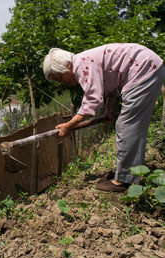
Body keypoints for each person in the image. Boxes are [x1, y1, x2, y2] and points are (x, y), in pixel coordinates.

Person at [43, 43, 165, 192]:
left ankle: (124, 180)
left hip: (143, 70)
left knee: (127, 126)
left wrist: (70, 125)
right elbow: (110, 85)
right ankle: (129, 171)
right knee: (132, 125)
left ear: (67, 66)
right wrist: (108, 109)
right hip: (149, 67)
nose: (63, 83)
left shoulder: (82, 65)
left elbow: (93, 100)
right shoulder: (85, 61)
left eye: (60, 78)